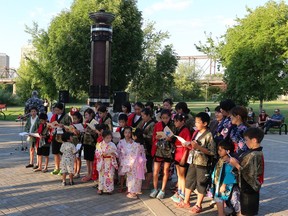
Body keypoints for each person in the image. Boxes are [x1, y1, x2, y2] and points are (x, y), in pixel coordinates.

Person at [175, 112, 216, 214]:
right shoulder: (196, 132)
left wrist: (198, 147)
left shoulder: (209, 135)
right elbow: (193, 145)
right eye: (195, 122)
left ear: (205, 123)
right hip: (193, 160)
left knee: (201, 183)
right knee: (189, 180)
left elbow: (212, 152)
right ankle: (186, 201)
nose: (196, 124)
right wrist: (188, 144)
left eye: (198, 122)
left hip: (203, 163)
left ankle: (198, 205)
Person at [229, 127, 265, 216]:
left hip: (250, 188)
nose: (245, 142)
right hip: (247, 187)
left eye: (246, 140)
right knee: (245, 210)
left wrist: (236, 164)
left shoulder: (254, 154)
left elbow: (250, 174)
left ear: (254, 140)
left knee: (248, 211)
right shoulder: (252, 152)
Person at [150, 109, 175, 199]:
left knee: (166, 170)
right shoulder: (158, 125)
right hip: (159, 150)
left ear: (170, 117)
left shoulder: (172, 125)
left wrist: (170, 139)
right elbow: (153, 136)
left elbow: (175, 138)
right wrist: (156, 137)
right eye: (163, 118)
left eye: (166, 118)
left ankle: (163, 190)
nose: (165, 120)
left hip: (168, 150)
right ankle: (155, 188)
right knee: (156, 171)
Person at [117, 127, 146, 198]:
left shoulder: (135, 145)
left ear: (135, 136)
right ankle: (135, 191)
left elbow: (131, 155)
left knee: (132, 178)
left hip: (133, 164)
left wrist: (128, 163)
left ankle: (133, 193)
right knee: (137, 179)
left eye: (132, 134)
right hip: (139, 164)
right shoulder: (140, 145)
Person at [211, 140, 237, 216]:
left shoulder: (229, 161)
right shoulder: (221, 159)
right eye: (218, 150)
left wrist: (224, 184)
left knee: (220, 199)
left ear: (228, 151)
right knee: (218, 199)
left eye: (220, 150)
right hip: (218, 182)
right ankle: (222, 213)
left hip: (223, 184)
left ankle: (221, 214)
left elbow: (230, 174)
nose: (218, 152)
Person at [170, 113, 191, 203]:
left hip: (182, 153)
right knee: (179, 175)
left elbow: (187, 145)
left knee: (182, 175)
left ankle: (182, 192)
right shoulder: (178, 129)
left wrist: (184, 157)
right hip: (178, 152)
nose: (175, 123)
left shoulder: (185, 130)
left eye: (177, 121)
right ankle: (179, 191)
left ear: (182, 121)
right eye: (174, 121)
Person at [49, 102, 72, 175]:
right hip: (55, 135)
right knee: (55, 153)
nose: (57, 112)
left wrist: (63, 126)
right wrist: (50, 126)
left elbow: (70, 127)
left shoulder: (66, 117)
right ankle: (57, 167)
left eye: (58, 110)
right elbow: (51, 124)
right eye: (55, 110)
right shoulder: (54, 116)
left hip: (62, 137)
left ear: (62, 110)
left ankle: (63, 169)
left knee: (62, 153)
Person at [95, 130, 118, 195]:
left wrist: (113, 153)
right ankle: (100, 188)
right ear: (103, 137)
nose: (109, 139)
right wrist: (102, 154)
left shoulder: (112, 144)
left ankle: (109, 189)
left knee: (110, 175)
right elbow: (97, 153)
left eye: (110, 138)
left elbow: (116, 152)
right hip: (102, 161)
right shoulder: (100, 144)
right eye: (107, 138)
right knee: (101, 175)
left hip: (110, 161)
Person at [81, 108, 98, 182]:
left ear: (91, 114)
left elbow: (96, 133)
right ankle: (88, 173)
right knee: (87, 159)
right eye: (85, 115)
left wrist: (90, 131)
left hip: (91, 143)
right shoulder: (86, 122)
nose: (86, 116)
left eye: (87, 115)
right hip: (86, 142)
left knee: (91, 160)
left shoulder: (95, 122)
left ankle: (91, 174)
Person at [141, 108, 156, 189]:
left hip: (149, 148)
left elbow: (151, 137)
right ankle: (146, 182)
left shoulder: (153, 124)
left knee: (149, 166)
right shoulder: (145, 123)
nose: (142, 117)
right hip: (145, 147)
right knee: (146, 165)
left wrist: (141, 135)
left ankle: (147, 184)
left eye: (143, 116)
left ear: (148, 115)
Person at [117, 126, 134, 193]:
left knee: (129, 175)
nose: (127, 134)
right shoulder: (121, 142)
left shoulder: (133, 142)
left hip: (130, 161)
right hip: (122, 160)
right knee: (122, 175)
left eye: (129, 132)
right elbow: (118, 150)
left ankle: (128, 188)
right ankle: (121, 186)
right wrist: (118, 158)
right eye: (126, 132)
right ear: (123, 133)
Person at [70, 111, 83, 179]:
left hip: (78, 143)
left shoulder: (81, 126)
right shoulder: (72, 125)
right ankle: (74, 170)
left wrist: (77, 132)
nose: (74, 120)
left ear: (79, 119)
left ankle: (78, 172)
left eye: (75, 119)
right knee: (74, 157)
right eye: (73, 119)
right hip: (73, 143)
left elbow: (80, 135)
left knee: (78, 157)